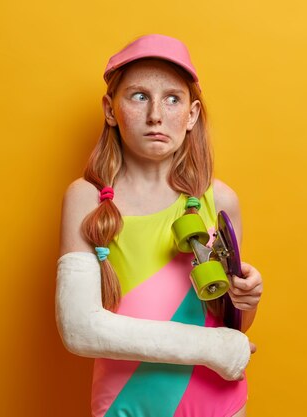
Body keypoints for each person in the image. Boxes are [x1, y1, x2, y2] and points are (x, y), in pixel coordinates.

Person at [56, 34, 263, 417]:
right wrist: (213, 348)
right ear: (110, 109)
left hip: (217, 404)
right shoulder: (86, 198)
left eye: (172, 98)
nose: (156, 114)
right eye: (138, 96)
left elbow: (232, 325)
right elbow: (79, 328)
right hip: (124, 405)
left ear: (192, 114)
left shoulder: (220, 201)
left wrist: (246, 300)